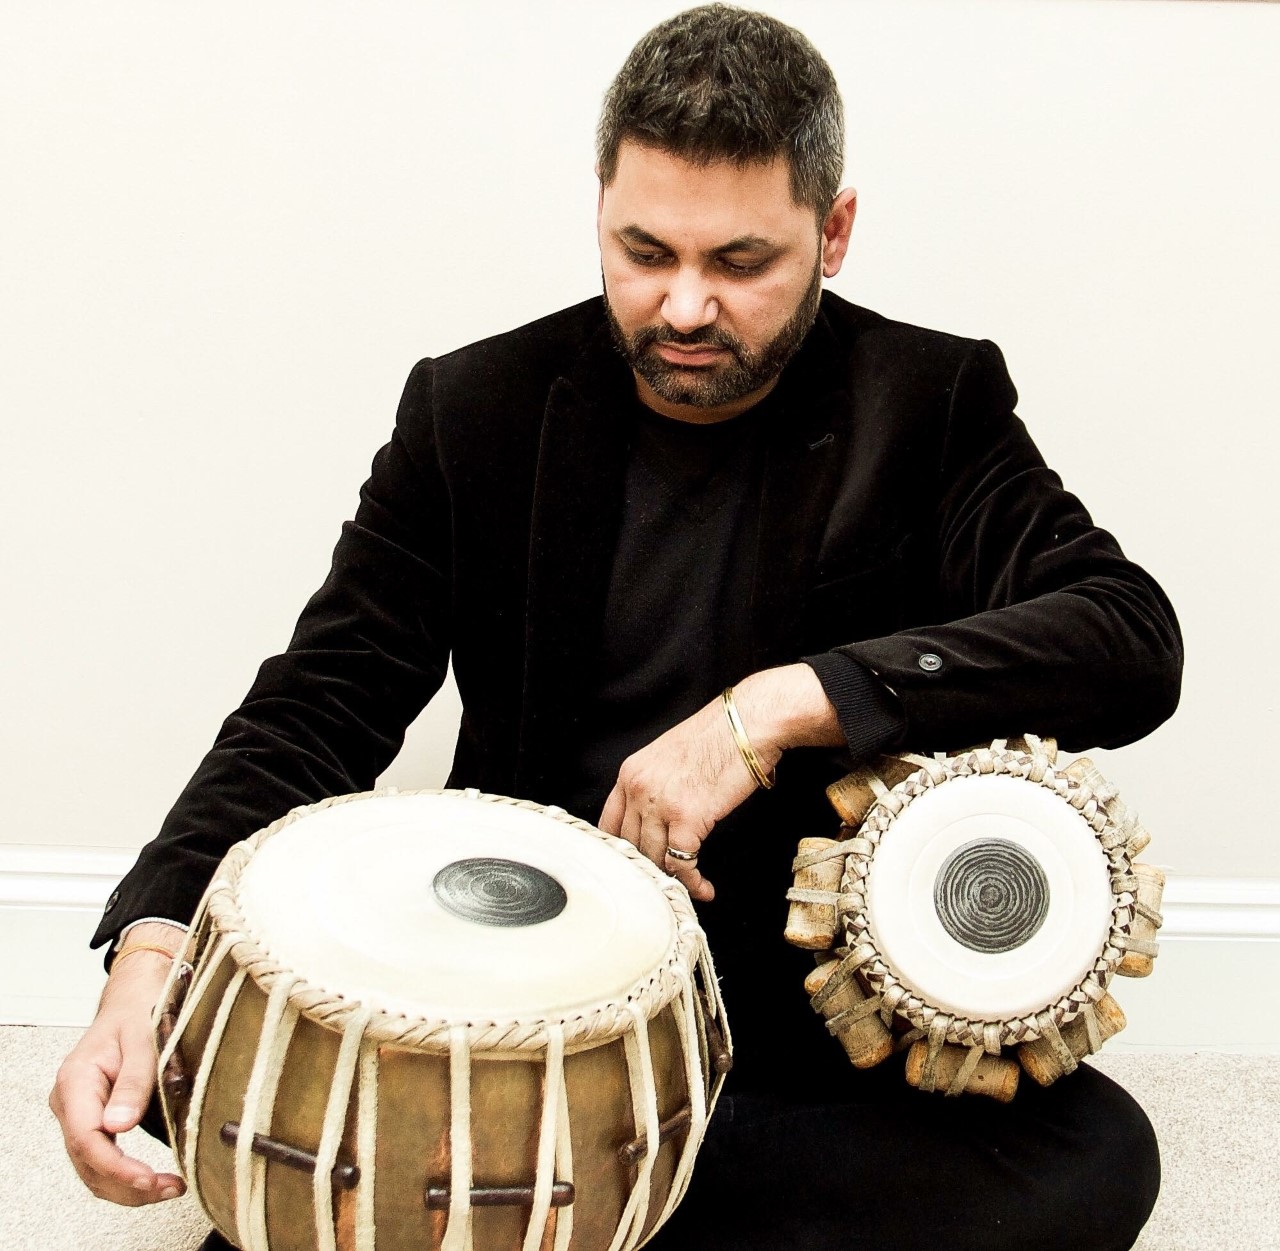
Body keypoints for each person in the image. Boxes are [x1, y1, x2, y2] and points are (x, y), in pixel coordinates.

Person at [49, 6, 1181, 1249]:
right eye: (643, 250)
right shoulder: (472, 408)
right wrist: (155, 945)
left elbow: (1124, 637)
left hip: (783, 1026)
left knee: (1093, 1159)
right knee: (187, 1061)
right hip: (506, 1006)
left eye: (739, 263)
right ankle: (554, 1187)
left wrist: (774, 707)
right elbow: (324, 695)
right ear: (598, 206)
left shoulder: (928, 403)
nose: (683, 306)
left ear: (833, 232)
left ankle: (536, 1206)